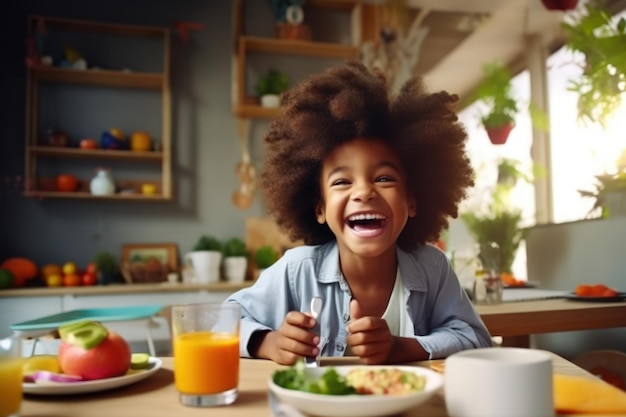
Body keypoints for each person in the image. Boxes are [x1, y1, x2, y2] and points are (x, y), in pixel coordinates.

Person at [225, 61, 492, 365]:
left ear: (412, 201)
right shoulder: (297, 271)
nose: (364, 192)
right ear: (320, 209)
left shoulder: (432, 268)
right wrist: (269, 342)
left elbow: (475, 337)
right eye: (341, 181)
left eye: (384, 178)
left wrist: (401, 347)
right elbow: (221, 323)